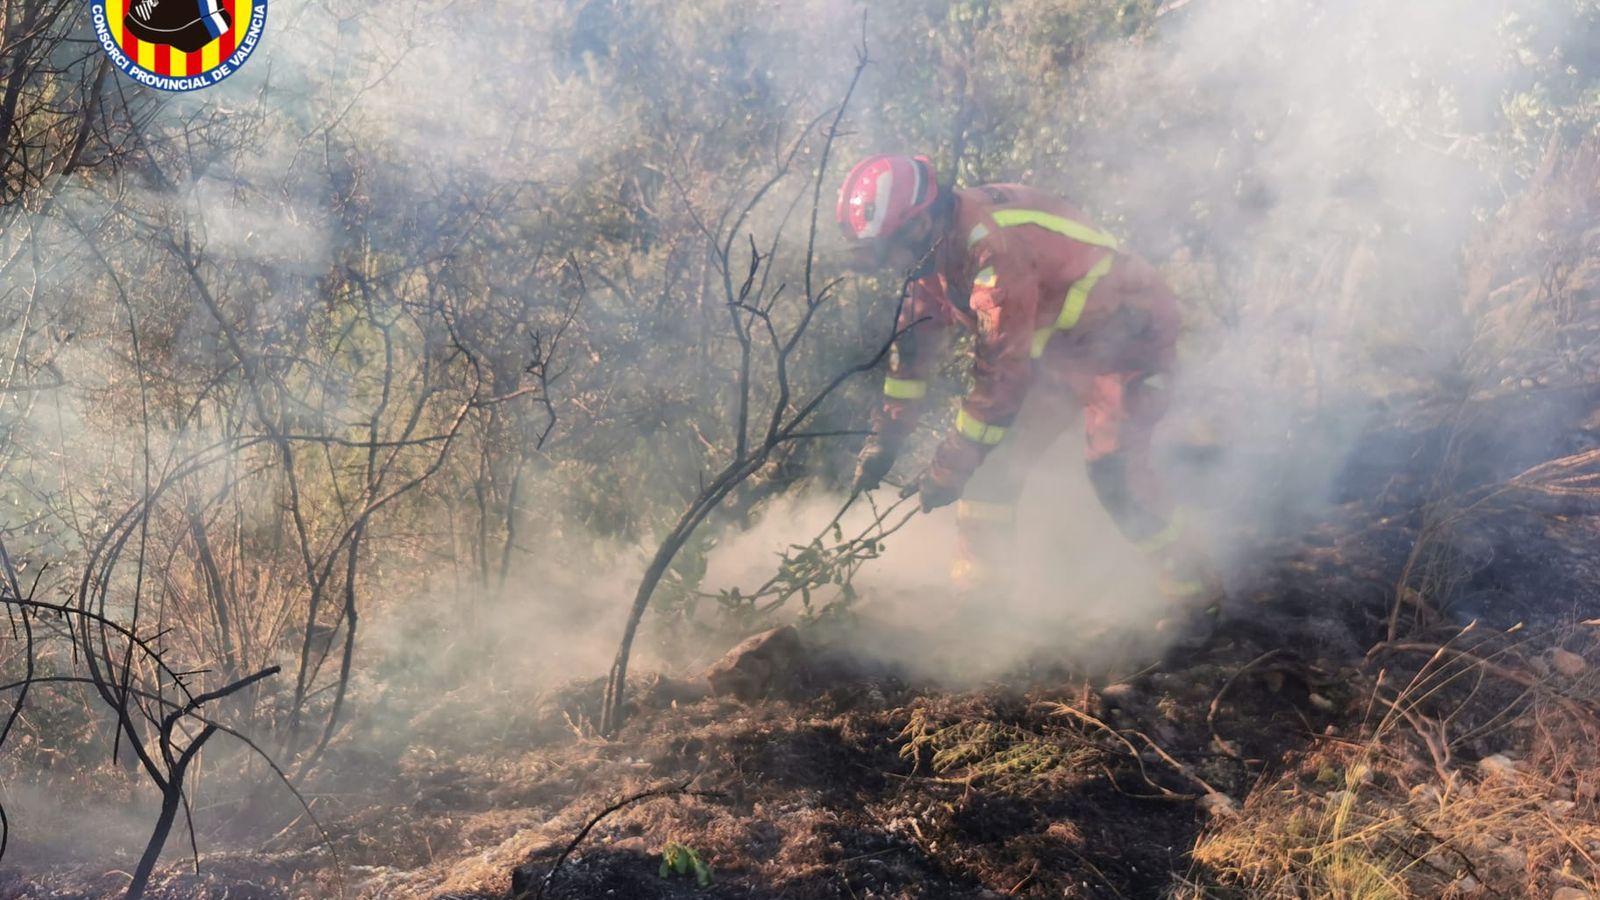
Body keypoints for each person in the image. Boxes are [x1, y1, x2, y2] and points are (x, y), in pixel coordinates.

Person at [836, 153, 1222, 644]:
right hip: (1059, 347)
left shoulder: (993, 253)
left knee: (1113, 468)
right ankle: (981, 605)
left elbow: (1000, 377)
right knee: (993, 468)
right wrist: (884, 438)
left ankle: (1194, 594)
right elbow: (912, 352)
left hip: (1127, 339)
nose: (892, 261)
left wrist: (947, 468)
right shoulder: (929, 255)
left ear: (923, 220)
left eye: (894, 246)